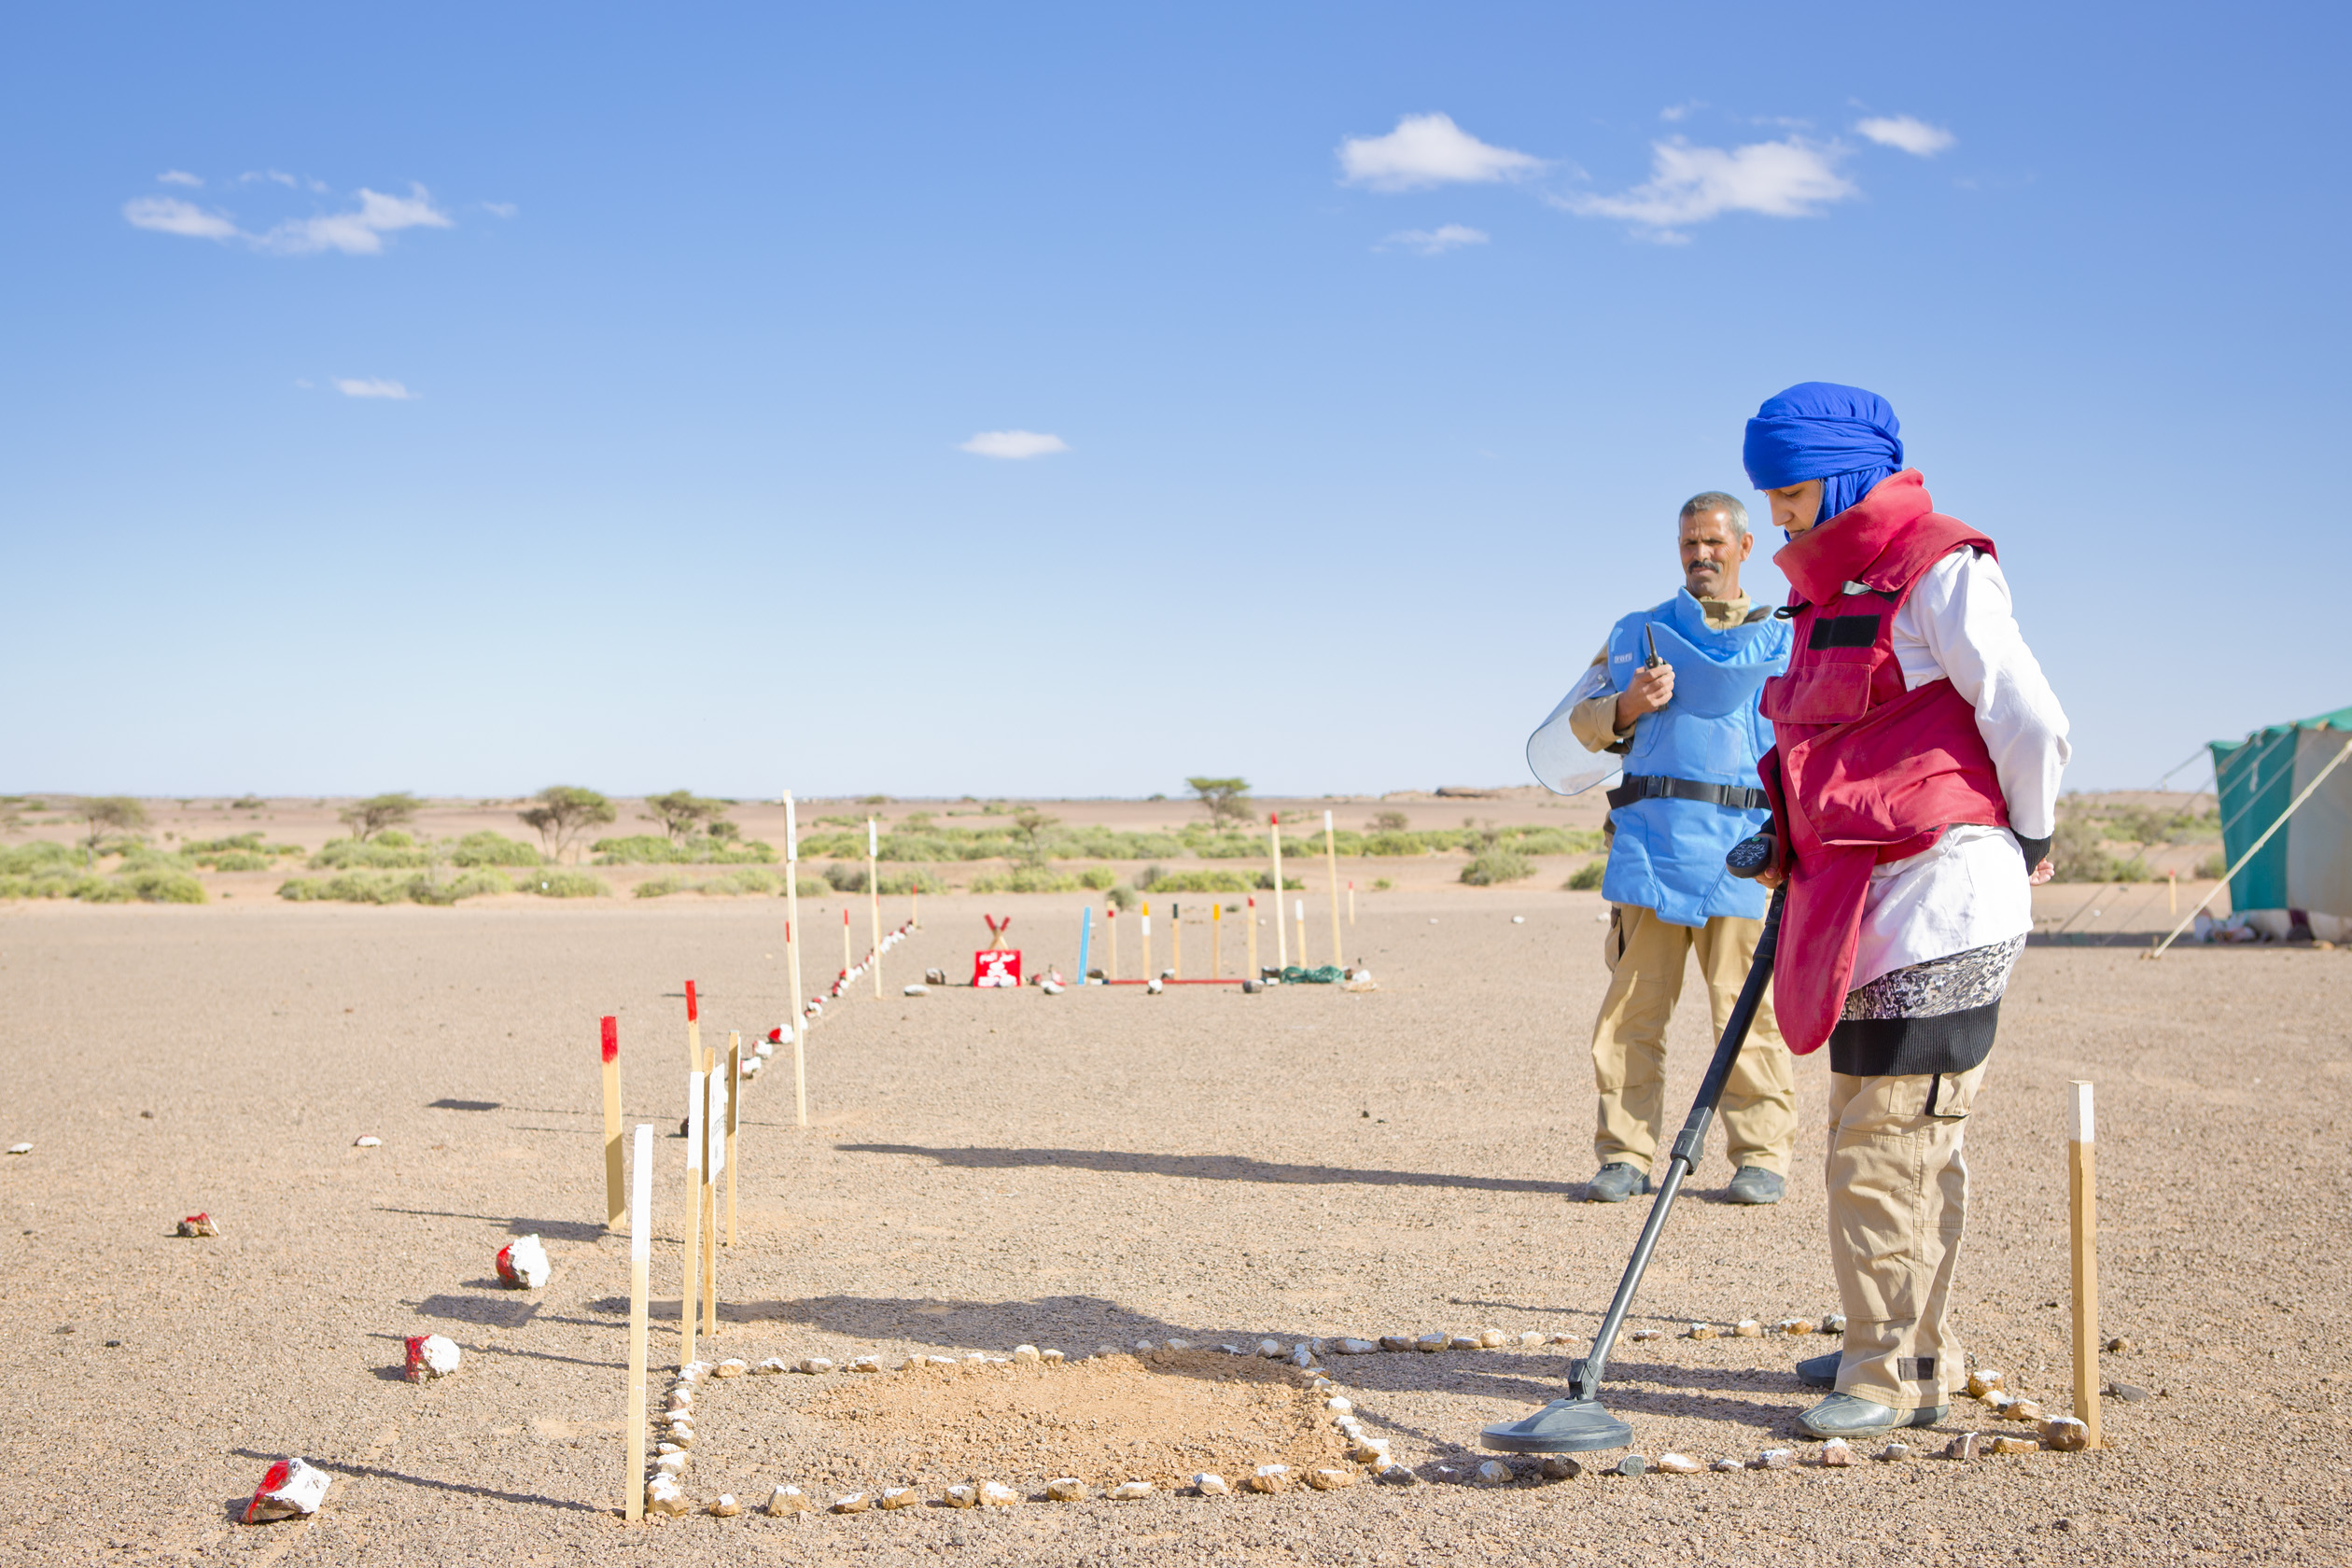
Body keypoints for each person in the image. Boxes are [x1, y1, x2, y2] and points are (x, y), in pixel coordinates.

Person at [1739, 383, 2069, 1440]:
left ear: (1839, 473)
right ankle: (1897, 1334)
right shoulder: (1819, 594)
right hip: (1860, 900)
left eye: (1789, 491)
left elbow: (2027, 714)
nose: (1778, 517)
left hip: (1945, 893)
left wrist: (2031, 833)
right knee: (1879, 1134)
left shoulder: (1943, 568)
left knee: (1890, 1141)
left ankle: (1892, 1373)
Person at [1563, 491, 1798, 1205]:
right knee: (1633, 1014)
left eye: (1713, 543)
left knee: (1748, 1011)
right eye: (1689, 544)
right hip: (1652, 852)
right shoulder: (1637, 634)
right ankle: (1625, 1156)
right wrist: (1629, 706)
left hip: (1745, 855)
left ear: (1745, 547)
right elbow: (1578, 723)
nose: (1700, 555)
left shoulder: (1790, 637)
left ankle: (1760, 1156)